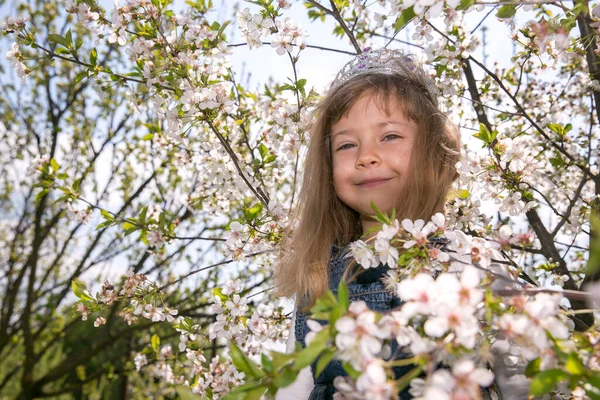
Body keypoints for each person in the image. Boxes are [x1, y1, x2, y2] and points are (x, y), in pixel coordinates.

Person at [273, 48, 528, 399]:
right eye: (346, 145)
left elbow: (523, 377)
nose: (366, 157)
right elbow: (293, 388)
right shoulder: (317, 282)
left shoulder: (469, 262)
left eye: (389, 136)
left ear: (436, 153)